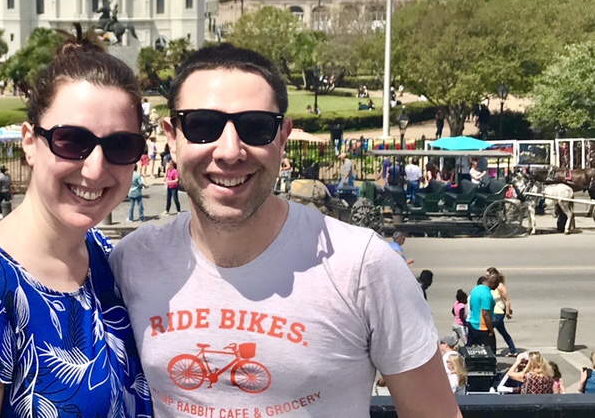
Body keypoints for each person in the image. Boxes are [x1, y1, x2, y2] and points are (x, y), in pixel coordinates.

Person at [110, 43, 458, 417]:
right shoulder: (132, 260)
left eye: (256, 127)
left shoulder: (362, 265)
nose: (230, 151)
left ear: (283, 136)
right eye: (202, 126)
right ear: (171, 135)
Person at [0, 27, 152, 417]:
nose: (95, 169)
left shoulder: (105, 258)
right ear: (30, 141)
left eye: (120, 145)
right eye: (71, 141)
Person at [486, 266, 517, 356]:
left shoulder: (499, 286)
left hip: (498, 313)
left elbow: (507, 299)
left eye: (488, 275)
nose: (486, 278)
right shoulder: (490, 286)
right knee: (503, 332)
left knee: (489, 331)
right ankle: (513, 350)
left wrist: (507, 312)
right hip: (494, 312)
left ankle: (492, 352)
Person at [466, 273, 499, 347]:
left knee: (471, 351)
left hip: (472, 324)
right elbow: (485, 313)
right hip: (482, 327)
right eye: (497, 285)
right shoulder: (486, 294)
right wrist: (491, 330)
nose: (497, 287)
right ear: (493, 283)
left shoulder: (475, 289)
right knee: (490, 353)